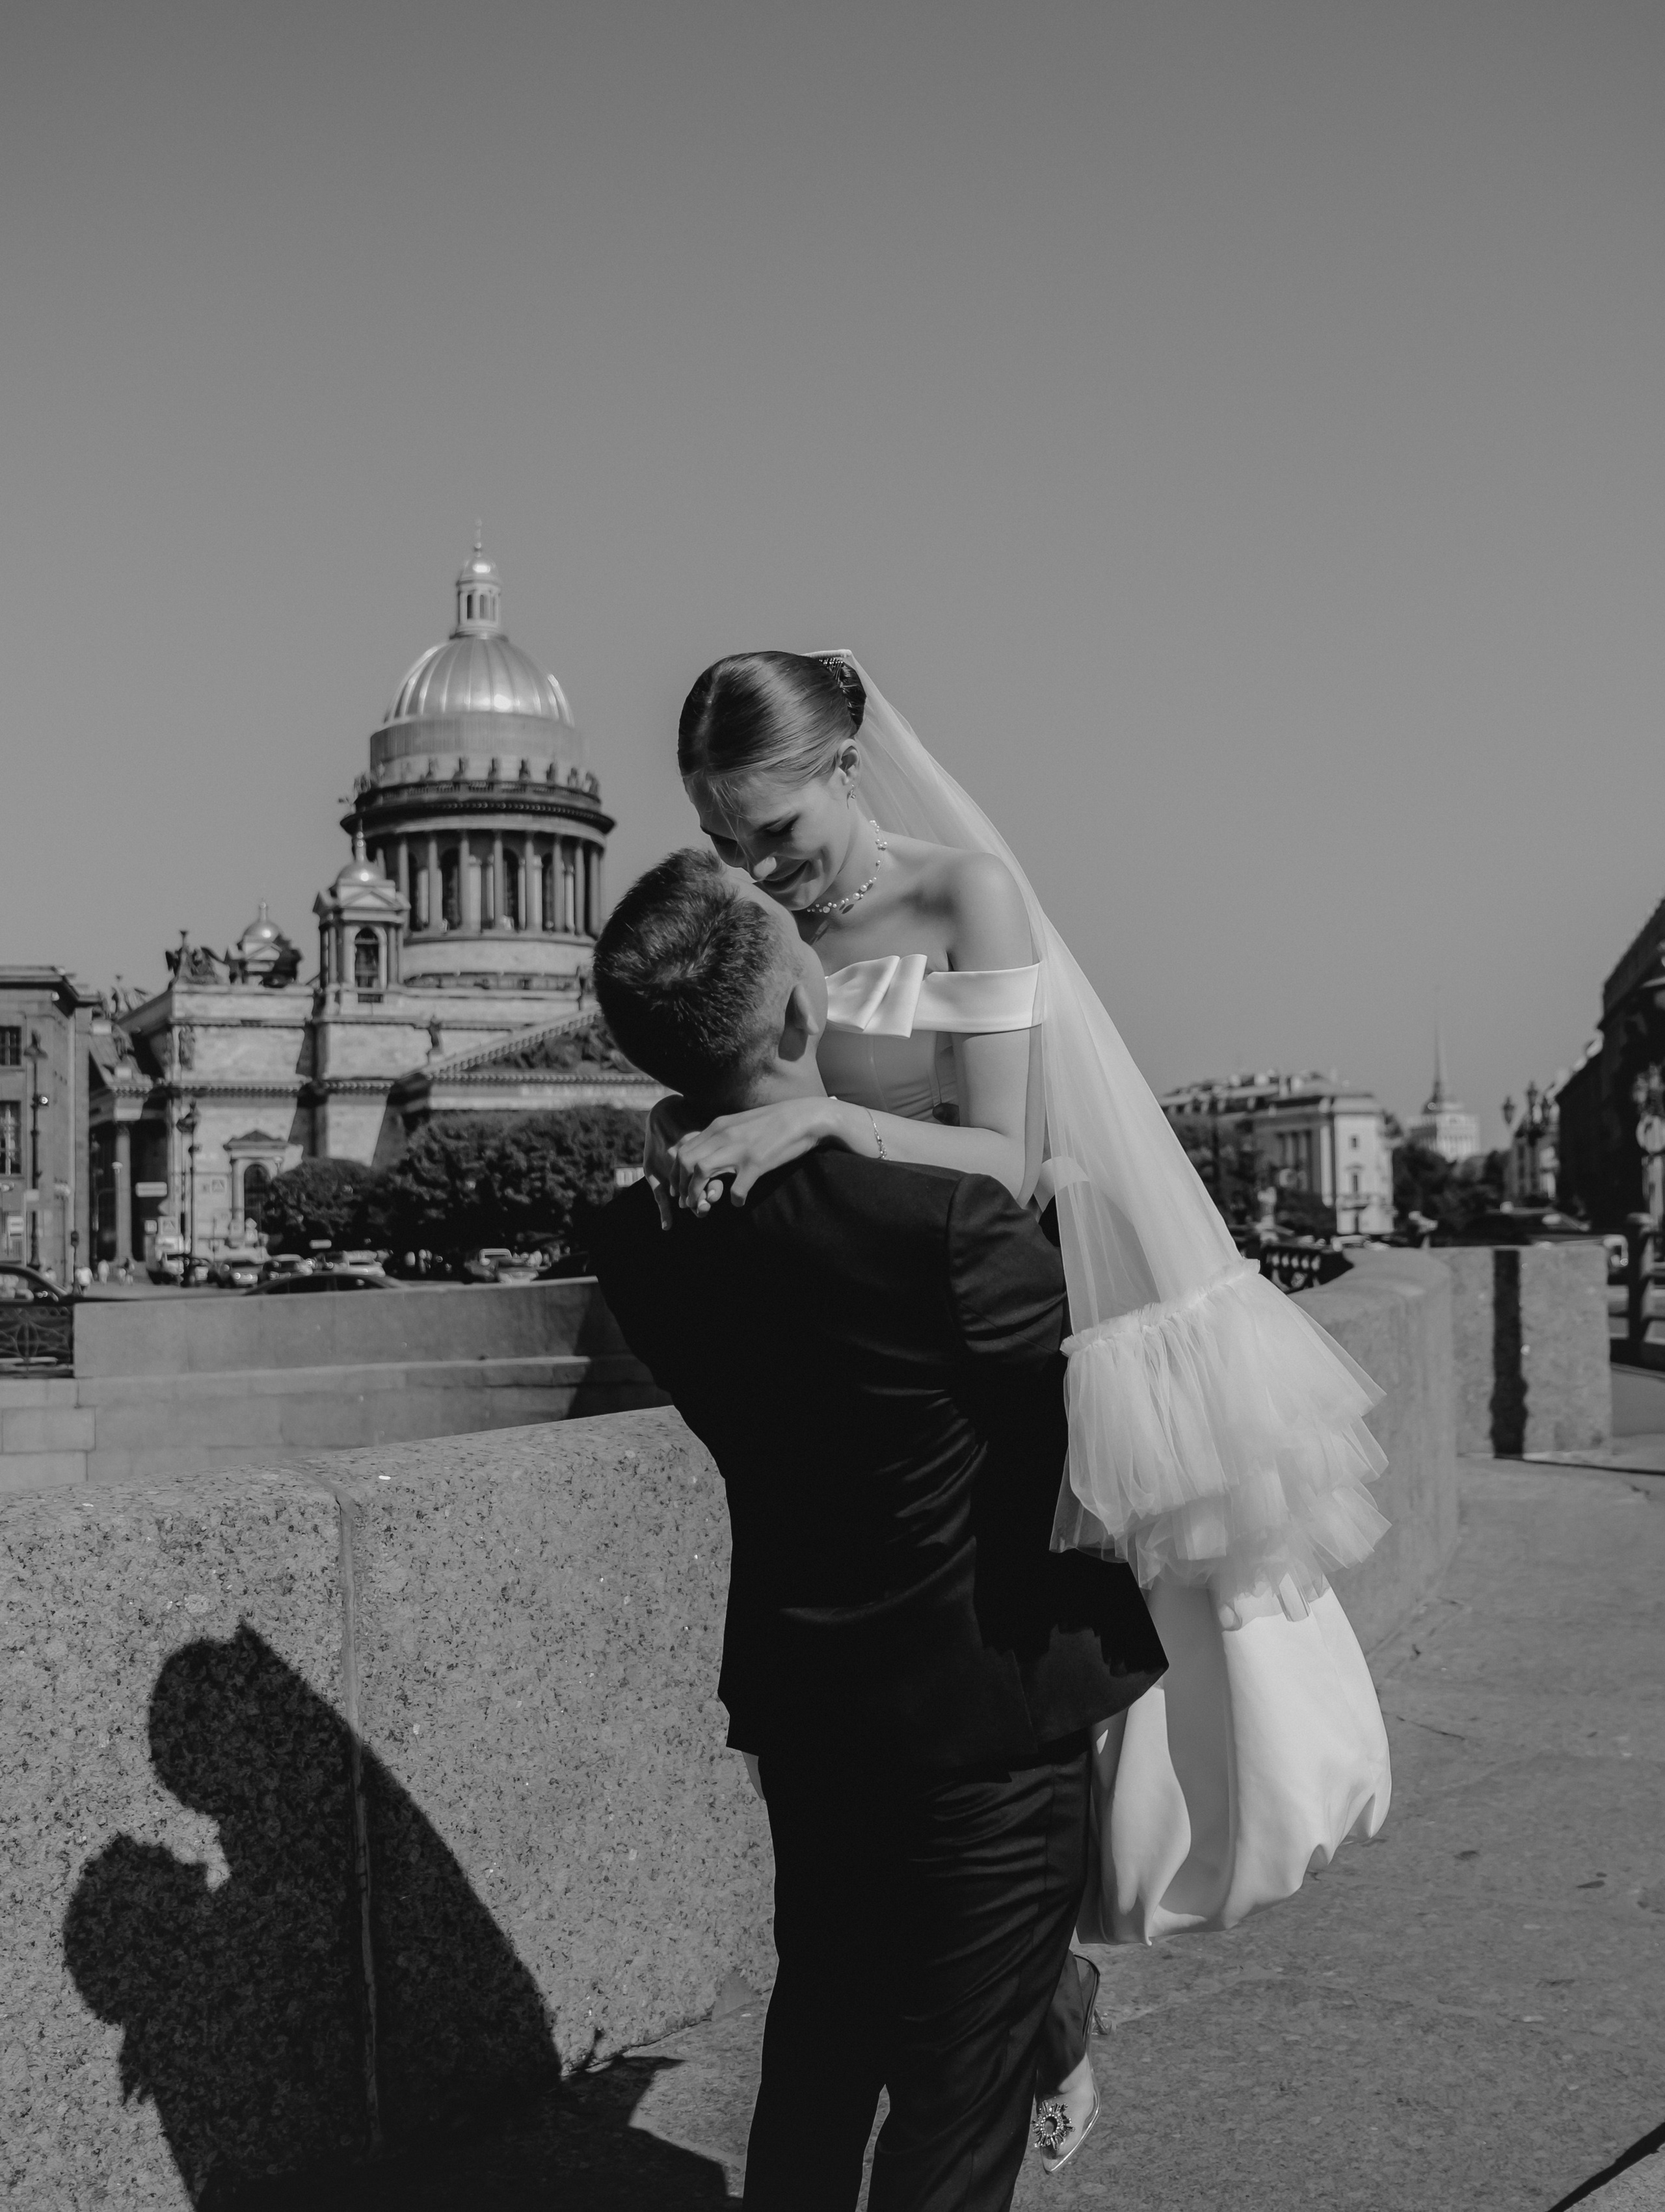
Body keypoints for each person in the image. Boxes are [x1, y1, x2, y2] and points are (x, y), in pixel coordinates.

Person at [652, 652, 1392, 1951]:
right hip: (851, 1352)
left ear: (845, 766)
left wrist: (822, 1119)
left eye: (773, 831)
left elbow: (1006, 1157)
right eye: (721, 838)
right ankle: (1017, 2011)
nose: (753, 868)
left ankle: (1042, 1999)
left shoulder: (964, 894)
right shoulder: (757, 921)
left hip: (981, 1338)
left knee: (1022, 1713)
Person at [588, 850, 1167, 2209]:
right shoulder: (946, 1219)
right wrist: (1034, 1171)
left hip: (809, 1708)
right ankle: (1052, 2010)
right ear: (799, 1018)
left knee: (821, 2050)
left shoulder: (638, 1234)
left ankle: (1048, 2009)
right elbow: (1127, 1379)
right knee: (954, 2118)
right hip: (985, 1719)